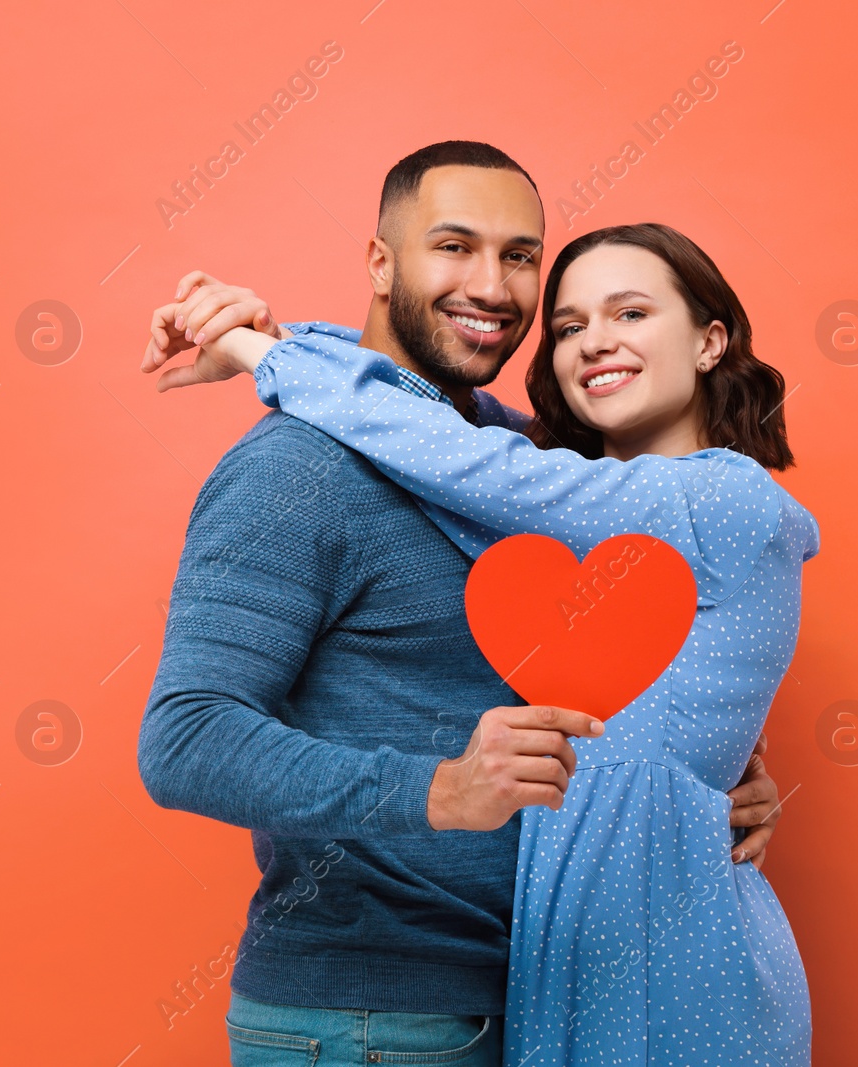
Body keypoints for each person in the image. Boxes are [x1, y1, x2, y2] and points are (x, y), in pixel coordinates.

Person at [136, 141, 788, 1067]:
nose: (492, 285)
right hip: (375, 1020)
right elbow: (185, 739)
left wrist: (700, 780)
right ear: (380, 263)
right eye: (453, 246)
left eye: (520, 255)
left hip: (533, 1002)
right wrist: (441, 789)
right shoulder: (296, 469)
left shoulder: (508, 461)